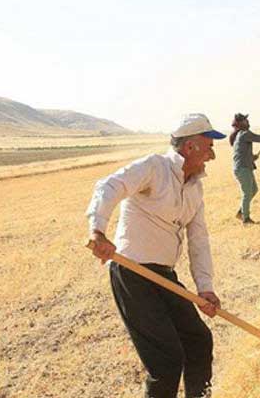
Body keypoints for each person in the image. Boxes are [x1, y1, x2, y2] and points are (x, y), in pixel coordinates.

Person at [85, 113, 226, 398]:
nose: (212, 152)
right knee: (166, 359)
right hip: (132, 273)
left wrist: (205, 288)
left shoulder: (195, 189)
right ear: (190, 147)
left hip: (164, 275)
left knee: (198, 340)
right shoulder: (154, 167)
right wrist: (97, 231)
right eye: (209, 144)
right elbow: (110, 186)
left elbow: (198, 240)